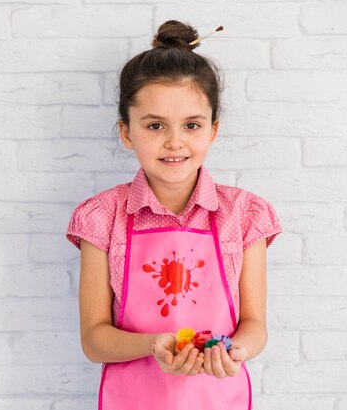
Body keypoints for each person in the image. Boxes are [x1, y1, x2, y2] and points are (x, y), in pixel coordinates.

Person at [65, 20, 282, 409]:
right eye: (154, 125)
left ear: (213, 130)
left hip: (219, 396)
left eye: (192, 125)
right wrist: (153, 345)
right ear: (127, 133)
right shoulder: (101, 217)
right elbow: (94, 341)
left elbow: (255, 326)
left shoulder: (245, 214)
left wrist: (231, 352)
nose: (174, 141)